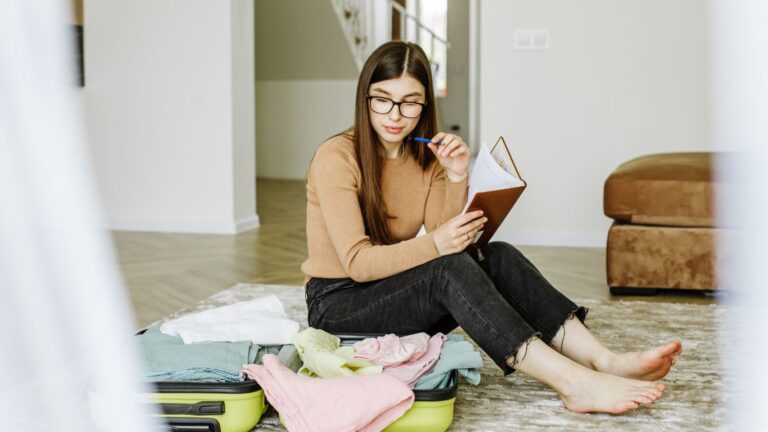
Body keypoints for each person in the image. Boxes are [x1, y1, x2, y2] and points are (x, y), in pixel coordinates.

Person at [300, 41, 681, 414]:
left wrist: (455, 176)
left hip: (391, 289)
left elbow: (442, 234)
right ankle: (573, 383)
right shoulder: (336, 157)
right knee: (446, 270)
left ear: (425, 105)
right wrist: (437, 243)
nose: (395, 114)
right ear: (365, 98)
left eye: (410, 101)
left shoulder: (425, 158)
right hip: (337, 302)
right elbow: (359, 264)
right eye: (382, 98)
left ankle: (603, 361)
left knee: (496, 256)